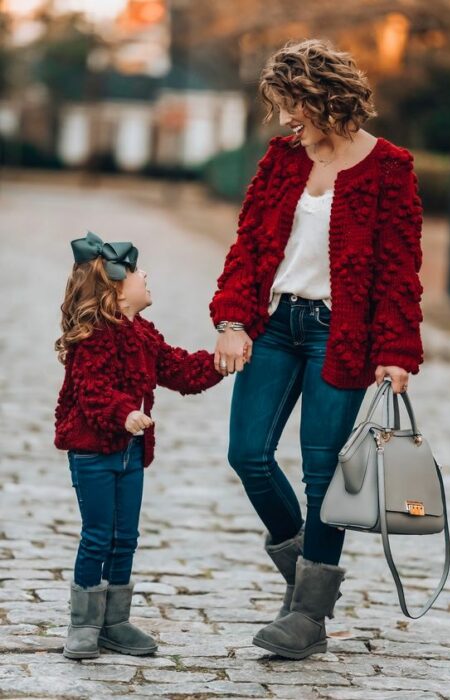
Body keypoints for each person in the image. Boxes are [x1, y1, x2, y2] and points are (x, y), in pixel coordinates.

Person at [210, 38, 424, 660]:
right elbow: (249, 245)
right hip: (276, 323)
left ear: (322, 98)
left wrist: (397, 349)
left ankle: (307, 615)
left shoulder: (390, 167)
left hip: (343, 330)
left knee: (323, 471)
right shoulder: (281, 159)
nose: (282, 120)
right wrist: (232, 319)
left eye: (290, 105)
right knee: (247, 453)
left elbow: (400, 268)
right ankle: (308, 565)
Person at [55, 231, 222, 660]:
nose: (145, 274)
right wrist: (124, 413)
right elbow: (92, 392)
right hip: (93, 452)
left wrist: (221, 361)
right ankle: (84, 623)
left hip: (130, 453)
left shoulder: (144, 334)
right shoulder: (93, 336)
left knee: (125, 535)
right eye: (134, 271)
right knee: (97, 535)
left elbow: (180, 370)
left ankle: (115, 621)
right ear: (115, 289)